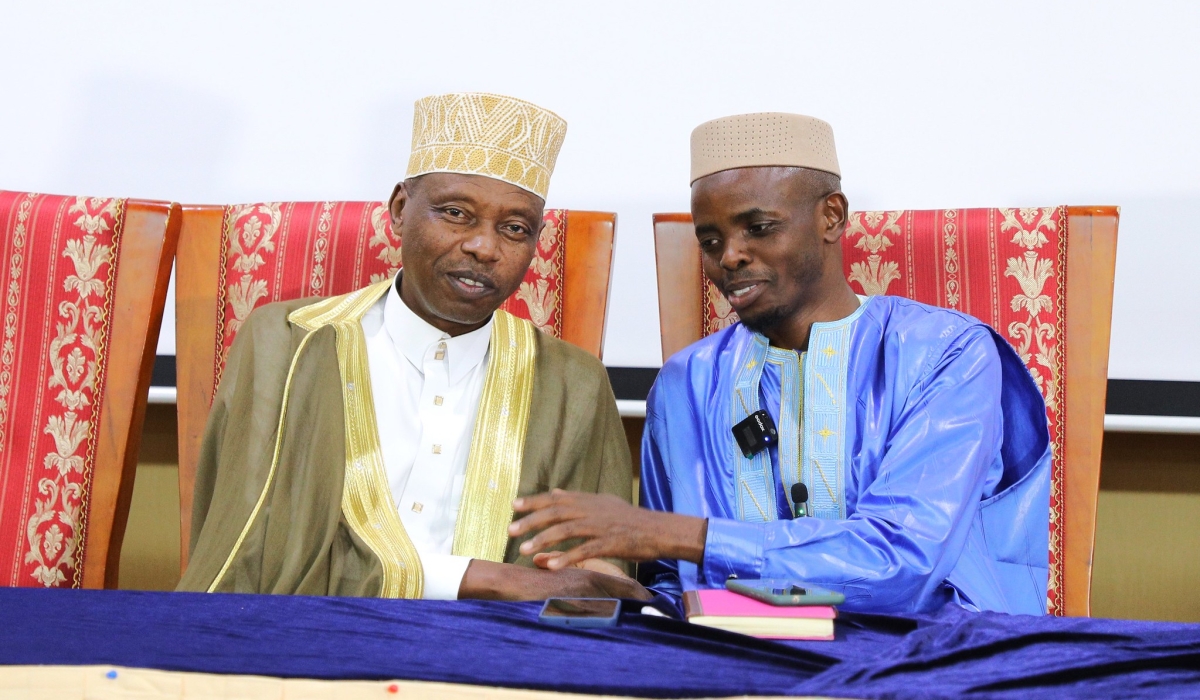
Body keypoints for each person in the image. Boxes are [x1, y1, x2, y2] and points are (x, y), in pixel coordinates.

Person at [510, 113, 1051, 614]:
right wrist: (616, 588)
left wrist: (680, 535)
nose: (731, 256)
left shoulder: (945, 353)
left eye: (759, 228)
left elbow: (903, 562)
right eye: (711, 239)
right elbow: (671, 582)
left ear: (831, 217)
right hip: (734, 661)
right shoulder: (686, 383)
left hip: (925, 656)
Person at [179, 92, 648, 602]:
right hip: (302, 650)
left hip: (490, 664)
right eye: (456, 213)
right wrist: (490, 579)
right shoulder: (289, 342)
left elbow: (585, 584)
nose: (484, 248)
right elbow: (258, 555)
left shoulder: (571, 382)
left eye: (515, 229)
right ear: (401, 210)